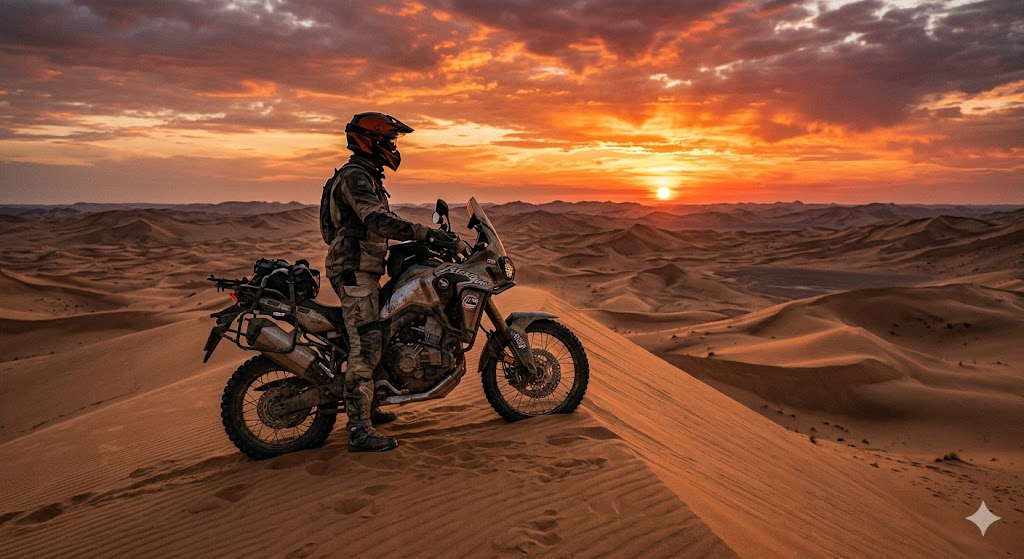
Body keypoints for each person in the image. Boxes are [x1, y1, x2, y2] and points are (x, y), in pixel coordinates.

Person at [320, 112, 462, 452]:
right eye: (391, 140)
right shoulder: (355, 177)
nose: (394, 147)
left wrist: (419, 242)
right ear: (373, 140)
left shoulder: (366, 176)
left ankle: (370, 404)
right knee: (365, 346)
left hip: (364, 269)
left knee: (386, 330)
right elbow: (377, 219)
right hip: (354, 274)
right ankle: (358, 430)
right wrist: (424, 233)